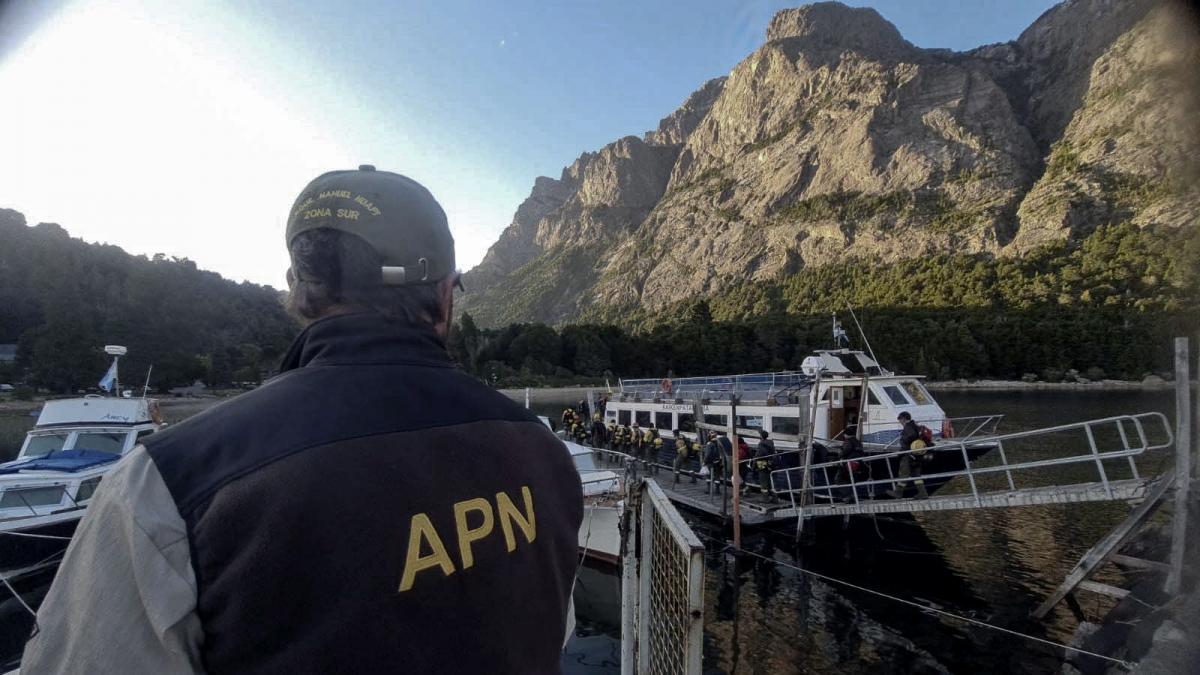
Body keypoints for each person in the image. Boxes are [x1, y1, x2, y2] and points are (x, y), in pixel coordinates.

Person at [21, 166, 583, 674]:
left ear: (300, 293)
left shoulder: (172, 482)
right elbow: (556, 632)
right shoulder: (544, 452)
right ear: (443, 295)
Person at [889, 411, 930, 499]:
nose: (899, 421)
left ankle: (898, 492)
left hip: (908, 455)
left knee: (903, 473)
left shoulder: (908, 427)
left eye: (900, 419)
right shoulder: (915, 426)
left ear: (903, 418)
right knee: (916, 475)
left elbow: (910, 437)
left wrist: (902, 449)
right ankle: (923, 493)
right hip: (916, 455)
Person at [835, 426, 867, 502]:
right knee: (851, 481)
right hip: (857, 465)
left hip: (848, 464)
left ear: (846, 434)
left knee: (838, 479)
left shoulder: (848, 441)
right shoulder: (858, 442)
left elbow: (846, 450)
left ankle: (848, 496)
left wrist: (839, 455)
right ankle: (854, 496)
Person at [751, 430, 776, 497]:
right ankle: (774, 498)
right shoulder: (771, 443)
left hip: (762, 463)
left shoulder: (761, 444)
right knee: (770, 482)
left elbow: (757, 457)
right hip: (770, 463)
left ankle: (765, 498)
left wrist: (753, 467)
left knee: (763, 483)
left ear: (761, 436)